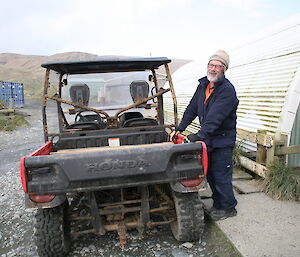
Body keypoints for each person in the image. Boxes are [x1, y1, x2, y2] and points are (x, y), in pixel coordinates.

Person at [171, 50, 239, 221]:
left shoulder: (227, 91)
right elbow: (192, 108)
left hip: (222, 140)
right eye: (211, 65)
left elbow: (215, 118)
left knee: (221, 174)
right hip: (209, 139)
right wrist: (180, 128)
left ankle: (229, 207)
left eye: (218, 66)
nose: (213, 68)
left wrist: (198, 135)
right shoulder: (204, 86)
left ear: (224, 69)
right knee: (210, 174)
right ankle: (218, 205)